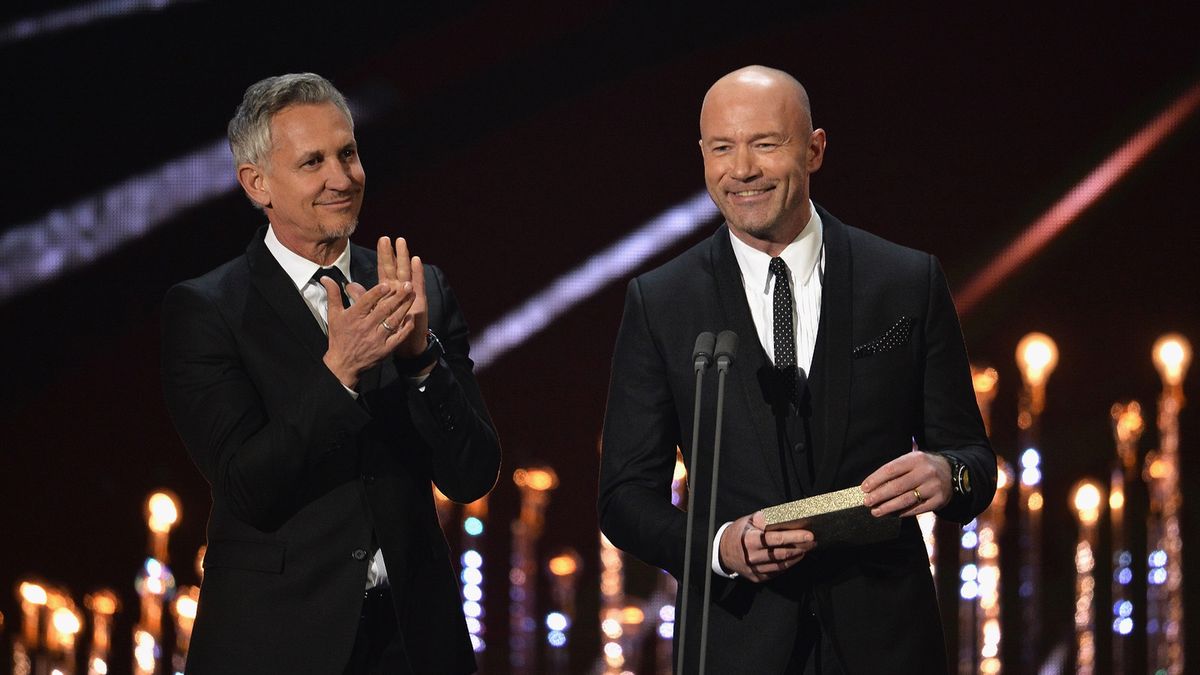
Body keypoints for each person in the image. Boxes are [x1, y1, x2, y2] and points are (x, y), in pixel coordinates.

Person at [598, 65, 996, 673]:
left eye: (765, 143)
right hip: (734, 642)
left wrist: (946, 474)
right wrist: (719, 548)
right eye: (722, 148)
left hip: (886, 642)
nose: (743, 170)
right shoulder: (662, 301)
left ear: (814, 150)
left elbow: (972, 458)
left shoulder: (905, 281)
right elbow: (625, 496)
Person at [161, 73, 501, 674]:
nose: (341, 179)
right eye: (312, 162)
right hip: (276, 640)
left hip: (415, 641)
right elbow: (247, 486)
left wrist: (422, 360)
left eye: (347, 153)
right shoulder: (209, 310)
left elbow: (471, 474)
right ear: (257, 183)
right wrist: (338, 372)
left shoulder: (418, 290)